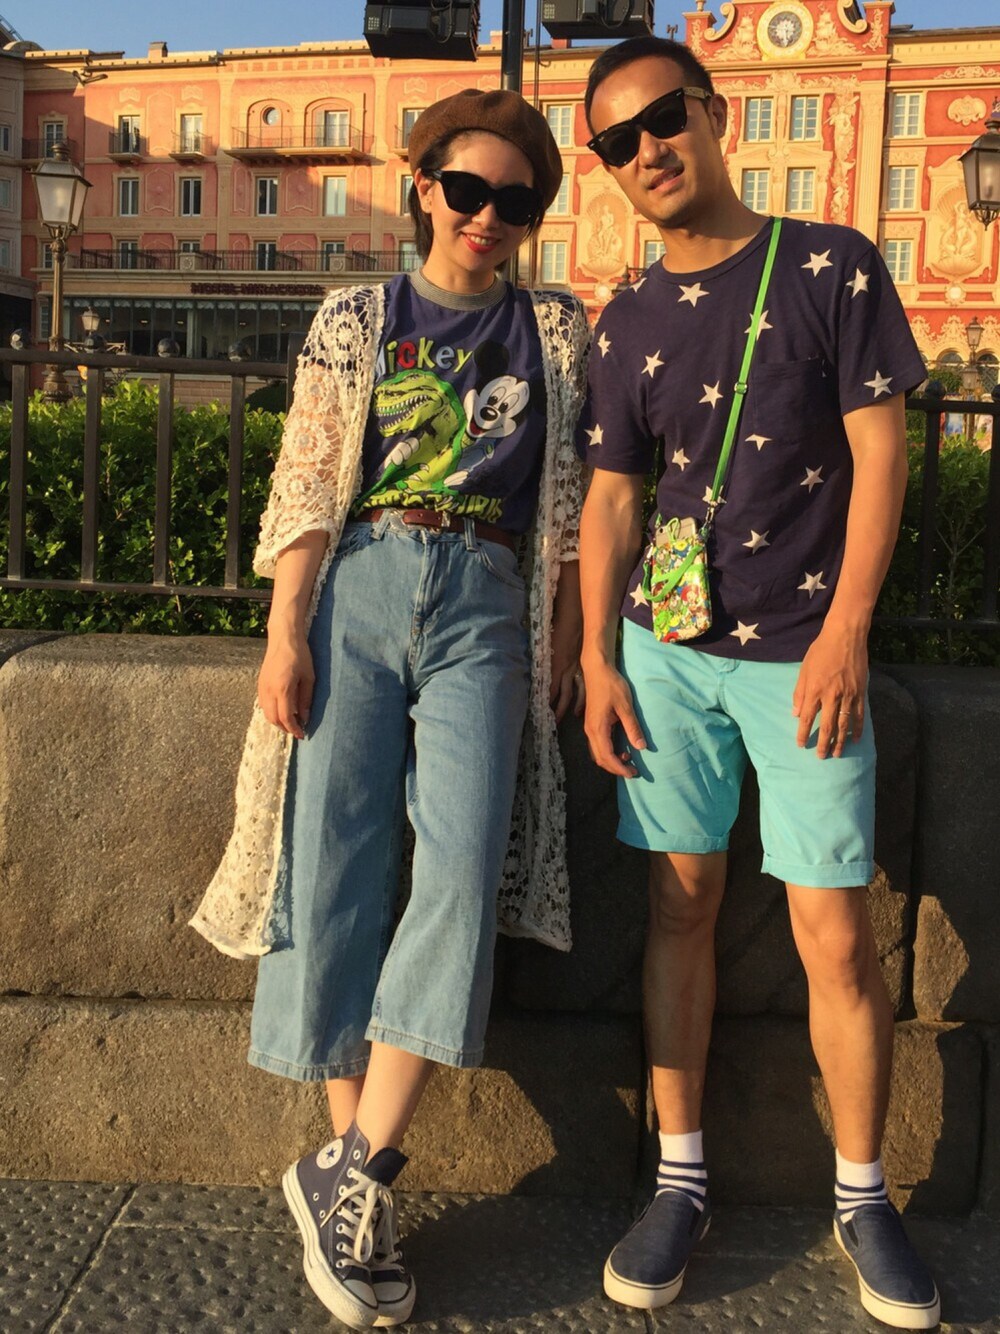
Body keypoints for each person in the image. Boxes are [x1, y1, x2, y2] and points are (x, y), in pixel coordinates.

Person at [190, 88, 590, 1329]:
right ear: (425, 187)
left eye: (514, 200)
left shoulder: (556, 328)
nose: (486, 215)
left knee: (461, 870)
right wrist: (284, 635)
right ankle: (352, 1184)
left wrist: (570, 632)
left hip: (486, 601)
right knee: (333, 862)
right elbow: (311, 474)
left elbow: (573, 503)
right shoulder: (357, 316)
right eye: (465, 190)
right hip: (360, 584)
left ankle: (357, 1166)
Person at [577, 36, 939, 1332]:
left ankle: (862, 1192)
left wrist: (848, 630)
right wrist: (595, 655)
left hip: (801, 659)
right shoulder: (624, 315)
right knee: (678, 907)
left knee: (833, 931)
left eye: (663, 119)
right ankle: (679, 1181)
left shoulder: (831, 263)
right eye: (615, 140)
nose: (647, 150)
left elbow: (881, 452)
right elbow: (612, 499)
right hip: (668, 659)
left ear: (713, 114)